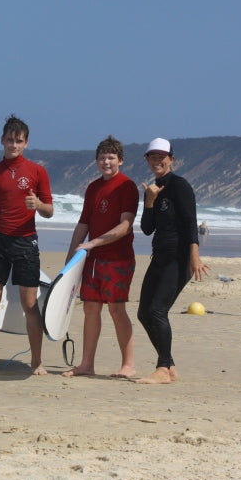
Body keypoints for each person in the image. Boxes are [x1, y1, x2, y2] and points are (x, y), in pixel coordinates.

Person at [0, 115, 53, 373]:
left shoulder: (37, 171)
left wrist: (37, 205)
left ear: (26, 143)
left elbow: (49, 210)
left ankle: (36, 361)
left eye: (18, 141)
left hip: (25, 243)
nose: (13, 145)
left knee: (29, 305)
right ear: (2, 141)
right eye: (9, 140)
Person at [61, 136, 139, 379]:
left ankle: (128, 364)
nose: (106, 161)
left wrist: (94, 243)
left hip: (118, 258)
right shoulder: (93, 187)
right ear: (96, 161)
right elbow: (83, 223)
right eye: (102, 157)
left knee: (116, 309)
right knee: (90, 308)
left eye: (111, 157)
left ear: (121, 160)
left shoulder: (127, 186)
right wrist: (70, 259)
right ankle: (86, 364)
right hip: (92, 260)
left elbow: (125, 226)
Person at [136, 137, 210, 384]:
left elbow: (191, 222)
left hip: (179, 260)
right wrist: (148, 201)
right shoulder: (153, 189)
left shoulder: (180, 186)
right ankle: (169, 364)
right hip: (159, 258)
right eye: (152, 157)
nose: (157, 161)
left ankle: (163, 369)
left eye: (161, 157)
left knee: (157, 310)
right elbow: (147, 229)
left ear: (171, 159)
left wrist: (195, 256)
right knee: (144, 313)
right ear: (147, 160)